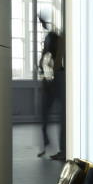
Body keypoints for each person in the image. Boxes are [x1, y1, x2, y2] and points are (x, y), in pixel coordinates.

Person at [37, 20, 66, 160]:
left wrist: (53, 75)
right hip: (52, 78)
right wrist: (44, 76)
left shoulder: (59, 37)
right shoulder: (49, 38)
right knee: (44, 110)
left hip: (59, 77)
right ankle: (47, 142)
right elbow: (43, 59)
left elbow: (59, 55)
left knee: (64, 116)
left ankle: (63, 150)